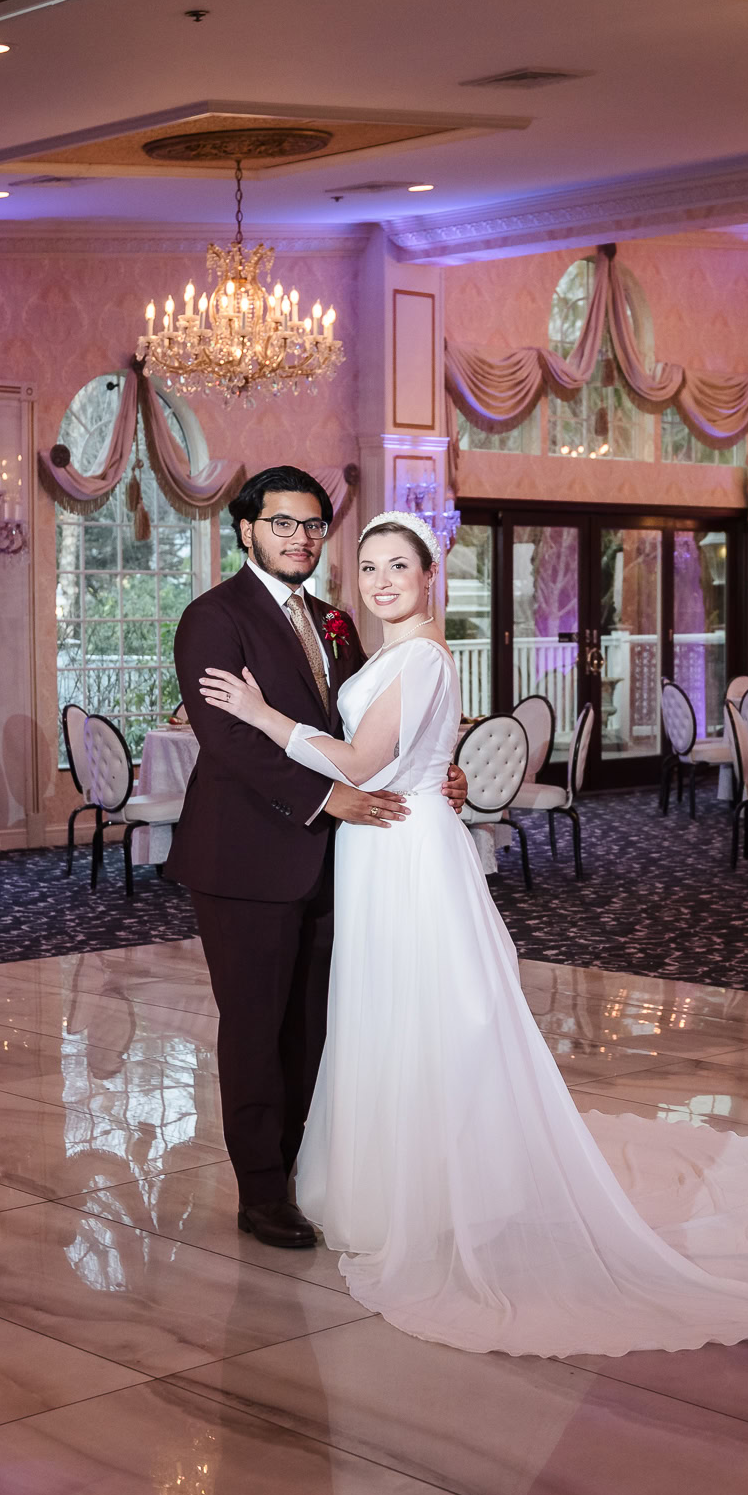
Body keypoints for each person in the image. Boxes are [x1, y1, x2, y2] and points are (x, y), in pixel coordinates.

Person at [199, 509, 748, 1357]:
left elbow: (361, 764)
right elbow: (400, 748)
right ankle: (391, 1181)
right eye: (368, 568)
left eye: (398, 566)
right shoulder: (389, 652)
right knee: (384, 1015)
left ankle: (431, 1193)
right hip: (382, 842)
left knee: (424, 1013)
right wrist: (442, 769)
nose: (381, 581)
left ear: (432, 575)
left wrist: (259, 715)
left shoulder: (425, 654)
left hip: (400, 847)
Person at [166, 468, 465, 1250]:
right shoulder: (213, 617)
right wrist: (326, 802)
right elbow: (228, 744)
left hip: (338, 861)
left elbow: (367, 731)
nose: (300, 537)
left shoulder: (336, 619)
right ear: (246, 531)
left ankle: (301, 1166)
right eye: (282, 523)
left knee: (314, 1025)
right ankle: (261, 1192)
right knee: (257, 1025)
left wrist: (437, 772)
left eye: (312, 526)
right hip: (244, 859)